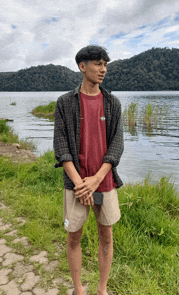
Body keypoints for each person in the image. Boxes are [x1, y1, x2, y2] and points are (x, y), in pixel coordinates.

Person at [53, 45, 124, 295]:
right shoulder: (64, 103)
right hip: (76, 185)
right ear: (82, 67)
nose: (103, 69)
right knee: (74, 237)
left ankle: (102, 290)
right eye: (98, 63)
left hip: (104, 183)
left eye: (105, 64)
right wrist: (80, 183)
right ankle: (78, 289)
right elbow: (61, 148)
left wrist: (95, 180)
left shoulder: (112, 103)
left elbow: (117, 145)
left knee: (106, 236)